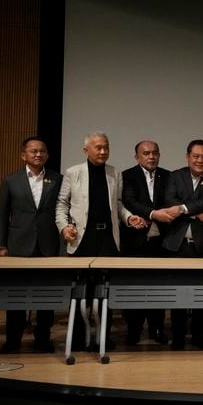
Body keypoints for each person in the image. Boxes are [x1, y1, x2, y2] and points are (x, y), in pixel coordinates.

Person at [55, 131, 141, 349]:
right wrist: (64, 227)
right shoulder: (73, 172)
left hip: (108, 239)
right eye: (98, 147)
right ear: (86, 150)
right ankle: (77, 338)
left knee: (105, 290)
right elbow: (61, 204)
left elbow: (118, 204)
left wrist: (129, 217)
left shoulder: (114, 173)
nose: (103, 151)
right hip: (82, 238)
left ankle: (104, 336)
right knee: (80, 289)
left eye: (106, 147)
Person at [154, 139, 203, 349]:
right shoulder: (175, 176)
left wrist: (184, 209)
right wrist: (198, 214)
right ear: (188, 157)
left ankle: (199, 336)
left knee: (202, 295)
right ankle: (177, 336)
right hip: (178, 245)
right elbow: (169, 200)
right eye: (196, 156)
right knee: (178, 294)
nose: (200, 160)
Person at [0, 136, 62, 354]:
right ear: (23, 155)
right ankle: (12, 340)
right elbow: (3, 216)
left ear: (47, 155)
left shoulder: (57, 179)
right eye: (33, 151)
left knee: (46, 295)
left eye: (42, 151)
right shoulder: (10, 180)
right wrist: (1, 246)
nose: (38, 154)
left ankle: (43, 338)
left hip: (48, 246)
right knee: (16, 295)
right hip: (18, 247)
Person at [121, 140, 170, 345]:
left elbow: (171, 201)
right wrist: (151, 213)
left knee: (158, 287)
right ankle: (134, 329)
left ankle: (156, 329)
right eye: (146, 153)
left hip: (161, 241)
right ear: (137, 157)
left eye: (155, 153)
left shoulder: (168, 176)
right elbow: (129, 201)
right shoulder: (127, 176)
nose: (151, 157)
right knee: (135, 288)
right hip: (135, 240)